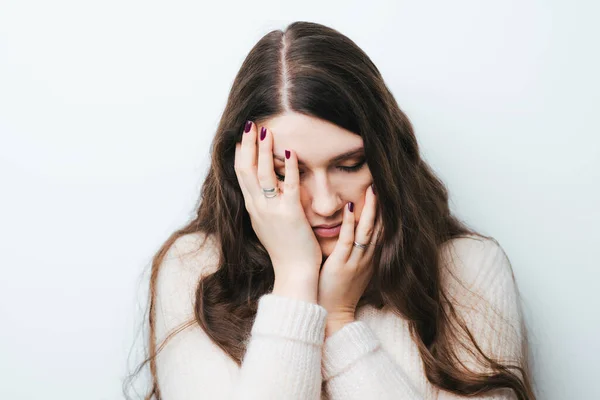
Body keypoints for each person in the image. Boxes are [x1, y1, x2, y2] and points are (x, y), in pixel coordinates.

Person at [129, 21, 536, 400]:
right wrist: (295, 279)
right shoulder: (194, 269)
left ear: (385, 156)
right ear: (246, 170)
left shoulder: (467, 268)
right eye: (287, 171)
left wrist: (340, 323)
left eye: (349, 165)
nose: (325, 204)